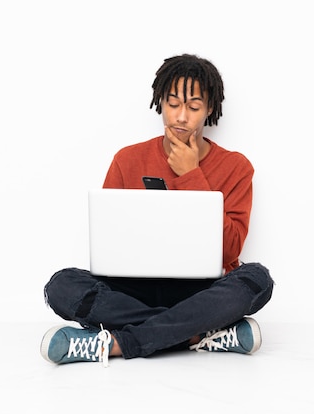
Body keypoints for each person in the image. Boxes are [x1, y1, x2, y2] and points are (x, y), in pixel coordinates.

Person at [40, 53, 274, 366]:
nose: (181, 117)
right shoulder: (127, 159)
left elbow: (230, 249)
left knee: (257, 280)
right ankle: (198, 334)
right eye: (173, 103)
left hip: (200, 290)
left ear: (209, 110)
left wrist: (191, 174)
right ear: (160, 102)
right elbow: (109, 242)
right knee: (61, 286)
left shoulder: (236, 167)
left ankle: (119, 343)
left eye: (193, 107)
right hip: (136, 290)